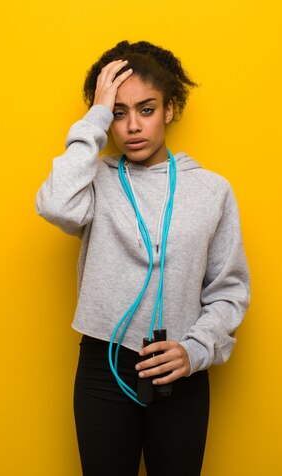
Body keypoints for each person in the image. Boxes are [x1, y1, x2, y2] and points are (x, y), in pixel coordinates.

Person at [35, 40, 250, 476]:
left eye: (146, 109)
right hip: (103, 365)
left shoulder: (212, 190)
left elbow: (228, 291)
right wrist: (95, 115)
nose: (133, 126)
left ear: (169, 109)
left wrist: (195, 350)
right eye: (119, 113)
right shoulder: (93, 180)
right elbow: (55, 204)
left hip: (180, 371)